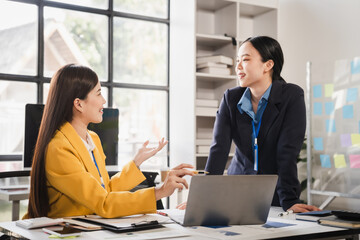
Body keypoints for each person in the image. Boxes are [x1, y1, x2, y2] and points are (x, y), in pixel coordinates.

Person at [26, 64, 194, 219]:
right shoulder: (59, 148)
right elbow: (104, 203)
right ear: (79, 104)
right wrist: (159, 192)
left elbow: (105, 190)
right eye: (98, 93)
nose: (104, 101)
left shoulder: (92, 138)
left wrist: (136, 163)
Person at [204, 36, 320, 213]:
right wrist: (203, 198)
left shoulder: (291, 96)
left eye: (246, 59)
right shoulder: (230, 98)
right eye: (237, 61)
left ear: (268, 65)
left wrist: (289, 200)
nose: (238, 67)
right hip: (237, 192)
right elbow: (218, 149)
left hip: (276, 195)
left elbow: (287, 152)